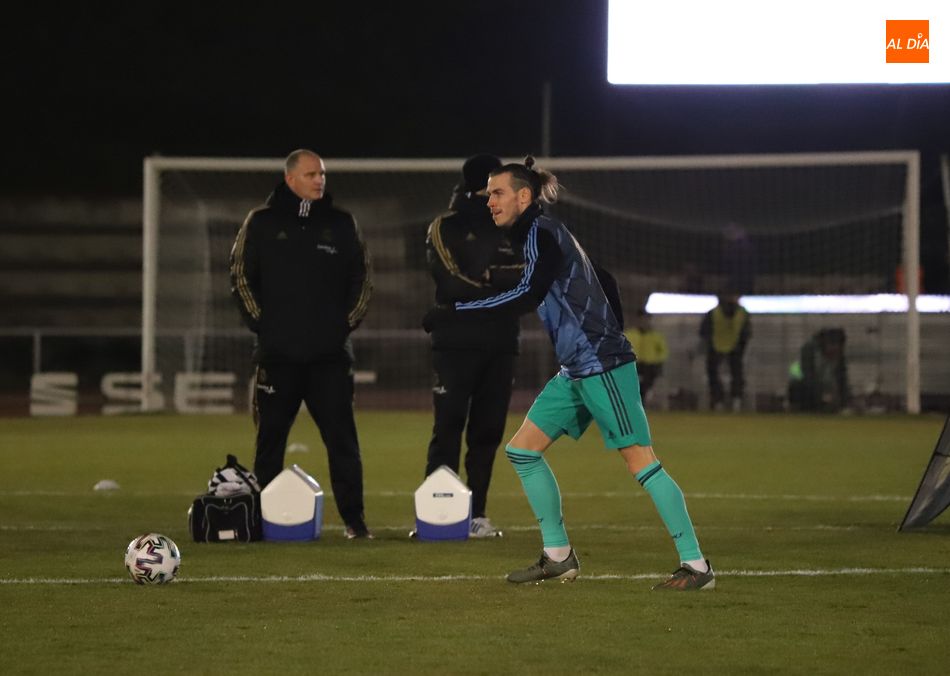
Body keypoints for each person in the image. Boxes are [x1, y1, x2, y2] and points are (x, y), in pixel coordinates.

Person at [423, 157, 714, 590]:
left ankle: (697, 566)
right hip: (578, 368)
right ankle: (558, 556)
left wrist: (457, 311)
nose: (490, 202)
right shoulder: (539, 234)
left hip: (601, 365)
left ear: (524, 196)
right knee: (522, 451)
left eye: (498, 193)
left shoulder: (541, 232)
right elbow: (604, 278)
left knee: (641, 462)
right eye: (488, 194)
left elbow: (527, 294)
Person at [229, 149, 374, 539]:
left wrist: (341, 327)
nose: (319, 180)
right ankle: (262, 521)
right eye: (311, 174)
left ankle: (355, 522)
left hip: (331, 357)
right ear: (290, 179)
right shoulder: (260, 222)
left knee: (343, 442)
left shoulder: (342, 223)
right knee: (269, 442)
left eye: (322, 173)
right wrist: (266, 327)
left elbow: (362, 279)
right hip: (277, 356)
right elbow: (240, 276)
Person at [422, 154, 523, 538]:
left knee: (488, 431)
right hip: (455, 344)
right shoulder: (445, 226)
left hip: (500, 344)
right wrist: (500, 287)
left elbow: (531, 280)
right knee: (447, 427)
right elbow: (450, 283)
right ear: (481, 187)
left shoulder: (516, 227)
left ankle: (477, 513)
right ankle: (438, 513)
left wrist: (486, 280)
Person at [699, 293, 751, 412]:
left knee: (724, 373)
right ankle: (732, 400)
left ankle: (723, 400)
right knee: (733, 373)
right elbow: (747, 332)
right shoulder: (742, 313)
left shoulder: (714, 313)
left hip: (722, 346)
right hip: (728, 346)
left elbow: (704, 332)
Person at [788, 328, 850, 413]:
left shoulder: (839, 356)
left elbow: (842, 379)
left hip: (827, 388)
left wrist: (844, 399)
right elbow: (808, 377)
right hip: (806, 388)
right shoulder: (809, 351)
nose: (834, 352)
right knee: (798, 387)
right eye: (832, 346)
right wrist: (822, 395)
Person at [624, 308, 668, 404]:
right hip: (633, 365)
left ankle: (642, 405)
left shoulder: (655, 336)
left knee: (646, 387)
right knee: (632, 387)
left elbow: (663, 351)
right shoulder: (629, 334)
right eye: (642, 319)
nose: (644, 321)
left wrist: (657, 361)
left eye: (646, 319)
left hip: (649, 366)